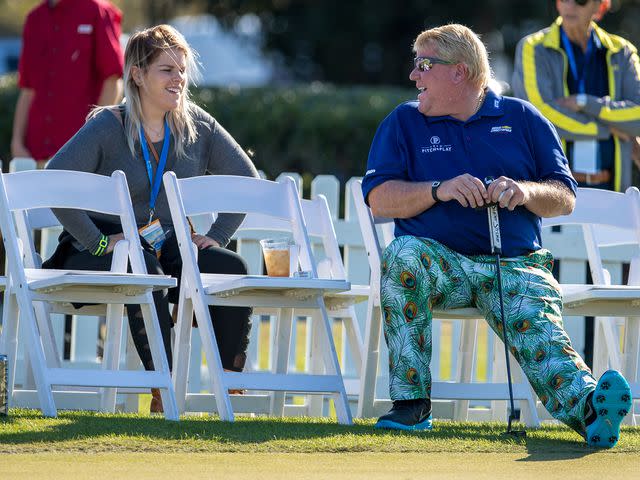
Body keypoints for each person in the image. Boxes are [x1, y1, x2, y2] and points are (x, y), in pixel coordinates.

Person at [361, 24, 632, 448]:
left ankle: (590, 409)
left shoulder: (522, 118)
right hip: (439, 263)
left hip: (515, 264)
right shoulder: (403, 122)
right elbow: (379, 200)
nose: (414, 76)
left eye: (424, 65)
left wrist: (526, 191)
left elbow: (563, 197)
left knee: (541, 334)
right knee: (403, 255)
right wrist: (439, 189)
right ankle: (412, 407)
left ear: (460, 72)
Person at [44, 24, 259, 412]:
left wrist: (220, 234)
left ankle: (232, 387)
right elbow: (54, 184)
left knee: (230, 266)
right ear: (137, 75)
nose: (179, 79)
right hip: (99, 250)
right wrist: (96, 240)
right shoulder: (108, 125)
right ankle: (165, 387)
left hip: (166, 248)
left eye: (182, 70)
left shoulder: (198, 125)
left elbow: (247, 180)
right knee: (139, 262)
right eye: (167, 70)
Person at [512, 0, 640, 193]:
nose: (570, 6)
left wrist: (586, 103)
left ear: (600, 6)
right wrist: (610, 128)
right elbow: (539, 116)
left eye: (580, 0)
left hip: (614, 192)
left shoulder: (622, 51)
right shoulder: (532, 46)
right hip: (557, 192)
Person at [11, 0, 124, 166]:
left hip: (81, 158)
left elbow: (113, 80)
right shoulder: (34, 19)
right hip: (34, 158)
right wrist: (17, 143)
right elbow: (28, 90)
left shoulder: (98, 11)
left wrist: (92, 139)